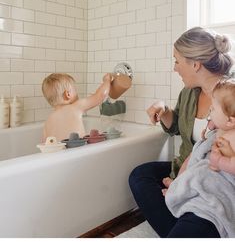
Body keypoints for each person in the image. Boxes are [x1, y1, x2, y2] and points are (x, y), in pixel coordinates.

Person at [129, 26, 233, 237]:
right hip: (188, 164)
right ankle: (185, 223)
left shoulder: (231, 95)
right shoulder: (188, 93)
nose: (174, 68)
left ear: (195, 64)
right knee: (140, 175)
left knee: (205, 211)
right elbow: (176, 127)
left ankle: (191, 221)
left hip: (218, 177)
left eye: (177, 61)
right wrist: (164, 109)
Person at [164, 79, 235, 237]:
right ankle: (179, 185)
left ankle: (181, 188)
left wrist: (221, 162)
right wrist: (214, 125)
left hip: (219, 188)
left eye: (214, 109)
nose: (210, 110)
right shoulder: (224, 127)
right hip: (204, 169)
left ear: (230, 121)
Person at [42, 72, 112, 141]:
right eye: (74, 89)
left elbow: (44, 144)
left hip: (57, 152)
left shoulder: (48, 121)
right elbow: (100, 95)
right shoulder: (76, 107)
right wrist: (107, 80)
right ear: (68, 94)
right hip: (77, 151)